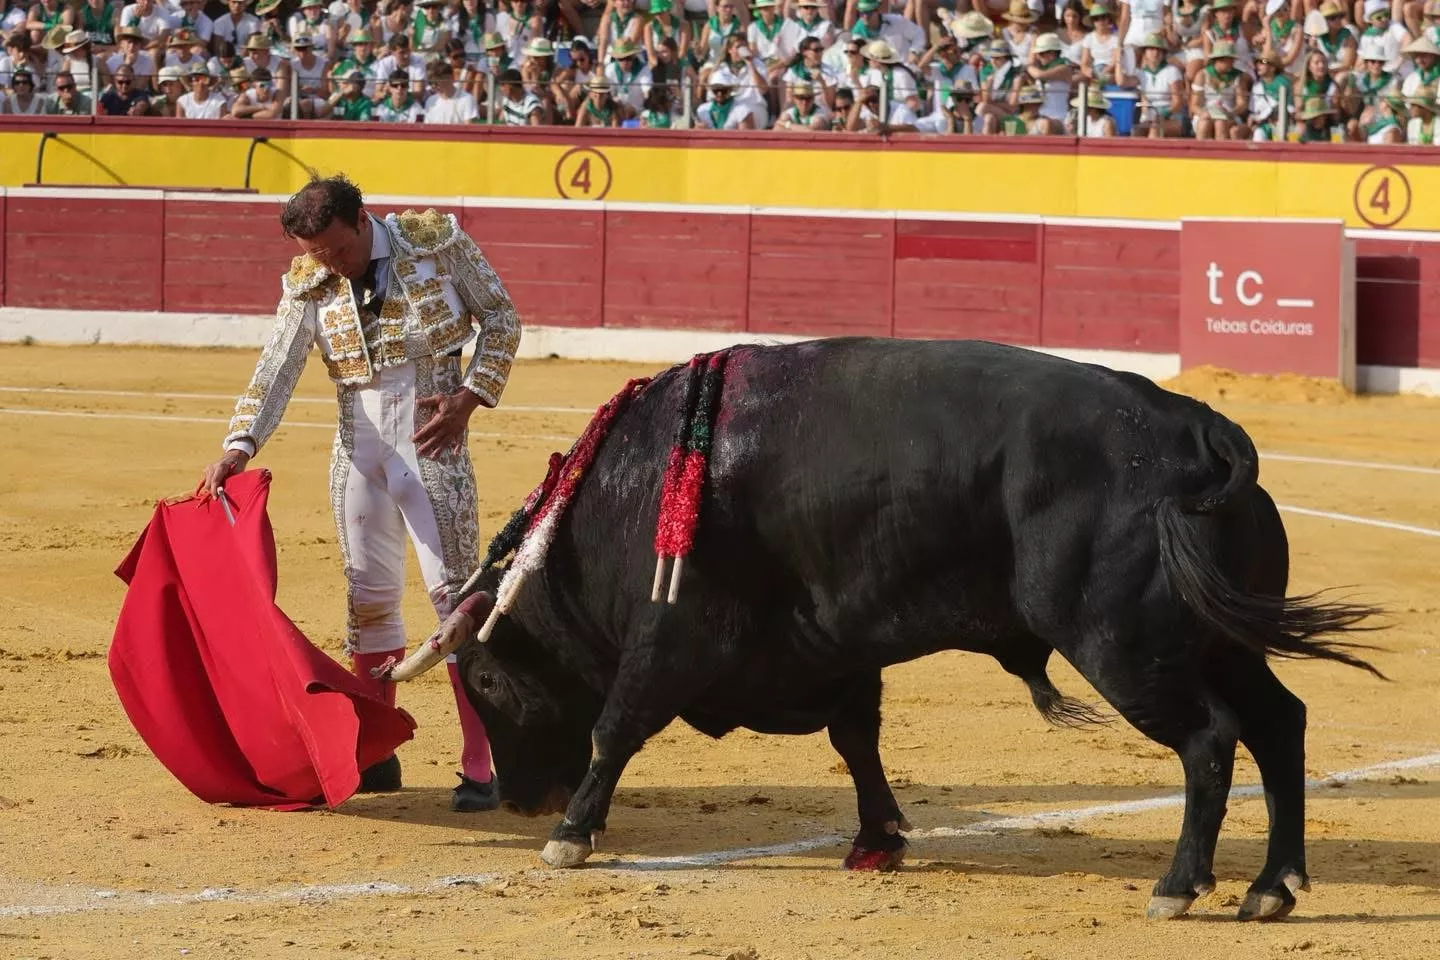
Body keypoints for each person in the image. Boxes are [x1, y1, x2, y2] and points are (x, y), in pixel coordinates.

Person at [199, 175, 521, 812]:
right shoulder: (310, 281)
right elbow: (276, 368)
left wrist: (471, 396)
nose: (327, 262)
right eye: (313, 251)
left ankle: (484, 761)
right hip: (359, 453)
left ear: (361, 219)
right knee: (368, 604)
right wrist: (241, 444)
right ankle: (376, 754)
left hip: (434, 447)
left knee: (455, 599)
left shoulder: (436, 243)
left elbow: (503, 321)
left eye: (336, 250)